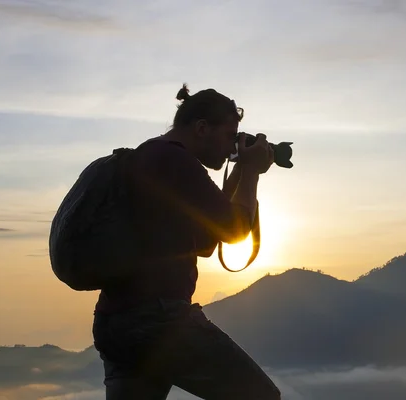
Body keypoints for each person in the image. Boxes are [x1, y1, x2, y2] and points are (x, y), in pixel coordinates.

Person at [91, 85, 281, 399]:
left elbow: (207, 240)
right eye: (229, 135)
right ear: (202, 128)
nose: (229, 148)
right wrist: (250, 172)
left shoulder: (150, 157)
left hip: (116, 323)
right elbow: (234, 232)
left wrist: (240, 170)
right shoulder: (174, 160)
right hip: (159, 321)